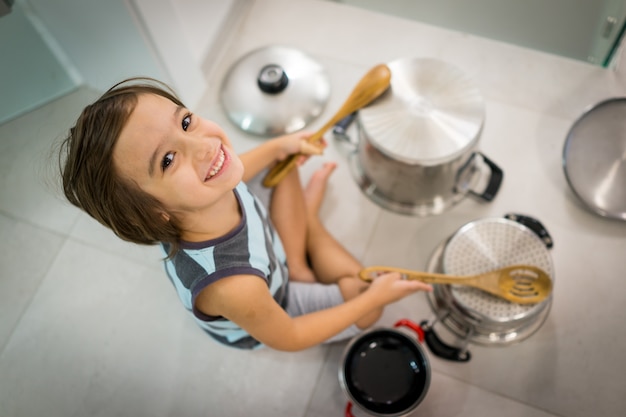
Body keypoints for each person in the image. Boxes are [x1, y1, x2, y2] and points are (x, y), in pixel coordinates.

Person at [58, 77, 432, 351]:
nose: (203, 146)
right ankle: (308, 236)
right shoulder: (232, 285)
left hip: (268, 252)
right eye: (169, 160)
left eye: (185, 122)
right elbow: (290, 336)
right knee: (366, 305)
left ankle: (299, 257)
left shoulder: (201, 190)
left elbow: (241, 168)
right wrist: (369, 300)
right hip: (275, 300)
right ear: (157, 213)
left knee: (281, 165)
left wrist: (278, 147)